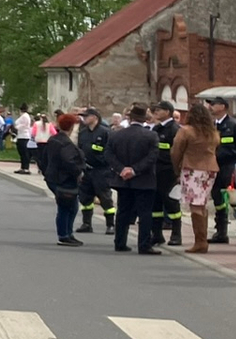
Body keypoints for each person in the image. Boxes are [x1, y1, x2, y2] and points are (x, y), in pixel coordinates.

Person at [109, 105, 161, 254]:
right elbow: (152, 157)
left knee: (123, 211)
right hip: (144, 179)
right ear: (144, 119)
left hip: (123, 180)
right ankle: (144, 244)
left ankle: (120, 242)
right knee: (145, 213)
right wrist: (134, 170)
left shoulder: (117, 135)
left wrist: (121, 169)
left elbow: (109, 154)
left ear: (130, 118)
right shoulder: (151, 136)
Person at [170, 102, 219, 254]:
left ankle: (200, 241)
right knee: (202, 204)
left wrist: (176, 168)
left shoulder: (186, 131)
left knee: (195, 206)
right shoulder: (212, 132)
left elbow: (176, 151)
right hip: (210, 169)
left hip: (192, 169)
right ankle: (202, 239)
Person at [43, 112, 87, 246]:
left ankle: (67, 233)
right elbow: (69, 162)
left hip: (52, 177)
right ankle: (64, 235)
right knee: (67, 206)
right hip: (64, 179)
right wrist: (78, 172)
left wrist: (45, 172)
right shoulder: (65, 143)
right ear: (72, 127)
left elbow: (43, 158)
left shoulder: (53, 139)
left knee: (68, 206)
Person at [210, 98, 236, 245]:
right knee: (217, 198)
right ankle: (221, 231)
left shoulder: (235, 125)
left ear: (223, 107)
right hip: (214, 167)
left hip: (230, 167)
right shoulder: (212, 126)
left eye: (214, 104)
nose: (210, 107)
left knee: (235, 201)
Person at [76, 107, 116, 234]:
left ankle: (110, 224)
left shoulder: (105, 132)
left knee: (105, 197)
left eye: (86, 116)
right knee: (85, 197)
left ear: (94, 117)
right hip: (87, 170)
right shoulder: (83, 133)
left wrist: (104, 161)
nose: (84, 119)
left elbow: (110, 150)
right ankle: (86, 223)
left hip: (101, 170)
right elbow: (79, 149)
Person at [149, 102, 182, 247]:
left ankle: (176, 234)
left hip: (169, 172)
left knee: (171, 203)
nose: (155, 112)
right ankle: (157, 234)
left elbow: (179, 152)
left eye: (159, 110)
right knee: (155, 203)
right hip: (156, 171)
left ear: (168, 112)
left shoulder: (174, 130)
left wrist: (179, 172)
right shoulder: (157, 128)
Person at [13, 107, 34, 172]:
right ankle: (23, 167)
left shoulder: (25, 116)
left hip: (24, 136)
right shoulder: (23, 116)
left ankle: (26, 168)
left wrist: (17, 127)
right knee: (22, 153)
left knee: (24, 153)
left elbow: (24, 125)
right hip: (20, 136)